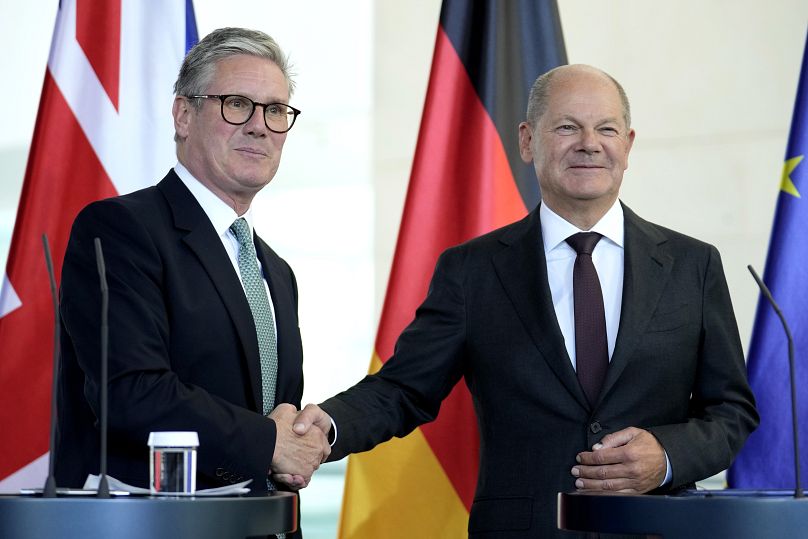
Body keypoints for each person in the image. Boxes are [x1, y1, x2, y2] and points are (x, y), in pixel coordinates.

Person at [287, 64, 759, 537]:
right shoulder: (472, 270)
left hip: (658, 526)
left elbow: (731, 411)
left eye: (607, 128)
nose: (589, 143)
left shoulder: (692, 264)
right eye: (567, 127)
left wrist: (667, 456)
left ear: (628, 145)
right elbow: (405, 389)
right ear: (528, 140)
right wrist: (326, 427)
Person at [55, 27, 328, 534]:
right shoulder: (120, 230)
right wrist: (268, 442)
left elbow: (272, 417)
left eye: (274, 110)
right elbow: (132, 393)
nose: (260, 126)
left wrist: (297, 441)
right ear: (183, 115)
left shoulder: (276, 270)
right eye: (237, 104)